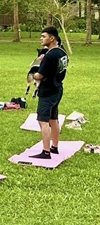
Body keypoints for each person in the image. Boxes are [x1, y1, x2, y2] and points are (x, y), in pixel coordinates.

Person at [31, 26, 69, 159]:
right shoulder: (62, 52)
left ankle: (46, 152)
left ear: (52, 38)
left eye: (44, 36)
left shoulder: (50, 55)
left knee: (43, 121)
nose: (41, 39)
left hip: (48, 91)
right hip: (58, 88)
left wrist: (33, 74)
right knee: (53, 119)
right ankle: (55, 147)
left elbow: (39, 76)